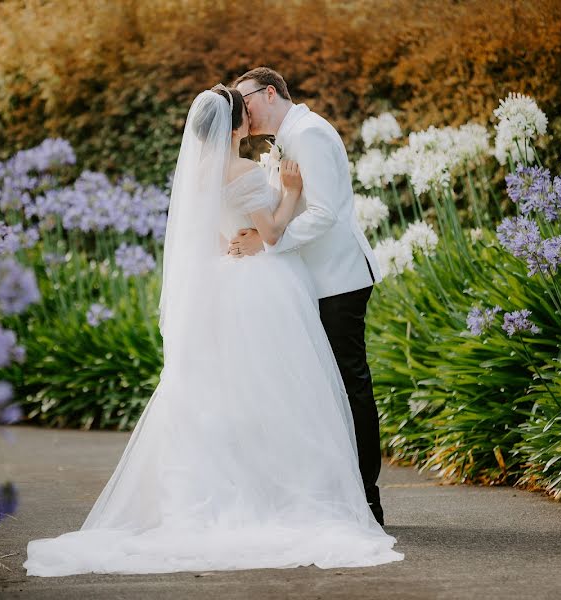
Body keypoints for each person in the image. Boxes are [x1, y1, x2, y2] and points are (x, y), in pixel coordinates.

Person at [23, 85, 402, 576]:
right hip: (264, 284)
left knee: (237, 395)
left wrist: (247, 234)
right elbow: (270, 234)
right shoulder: (244, 168)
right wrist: (286, 193)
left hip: (230, 283)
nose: (248, 114)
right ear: (235, 124)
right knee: (285, 392)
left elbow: (224, 234)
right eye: (241, 109)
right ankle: (303, 493)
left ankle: (258, 491)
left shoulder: (201, 174)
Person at [231, 67, 386, 526]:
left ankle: (367, 500)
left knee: (350, 387)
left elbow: (326, 213)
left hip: (337, 279)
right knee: (323, 391)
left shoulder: (312, 133)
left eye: (247, 100)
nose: (244, 111)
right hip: (311, 281)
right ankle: (340, 496)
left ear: (271, 93)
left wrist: (269, 241)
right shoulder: (289, 137)